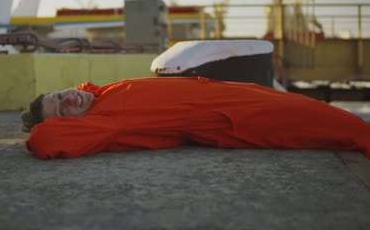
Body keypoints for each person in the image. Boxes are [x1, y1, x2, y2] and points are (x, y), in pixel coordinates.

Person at [21, 77, 370, 159]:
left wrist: (79, 98)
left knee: (319, 111)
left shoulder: (100, 94)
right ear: (67, 122)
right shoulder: (104, 122)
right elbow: (46, 140)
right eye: (62, 108)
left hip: (230, 91)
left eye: (59, 94)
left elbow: (82, 90)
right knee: (341, 127)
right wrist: (47, 124)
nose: (69, 98)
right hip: (234, 116)